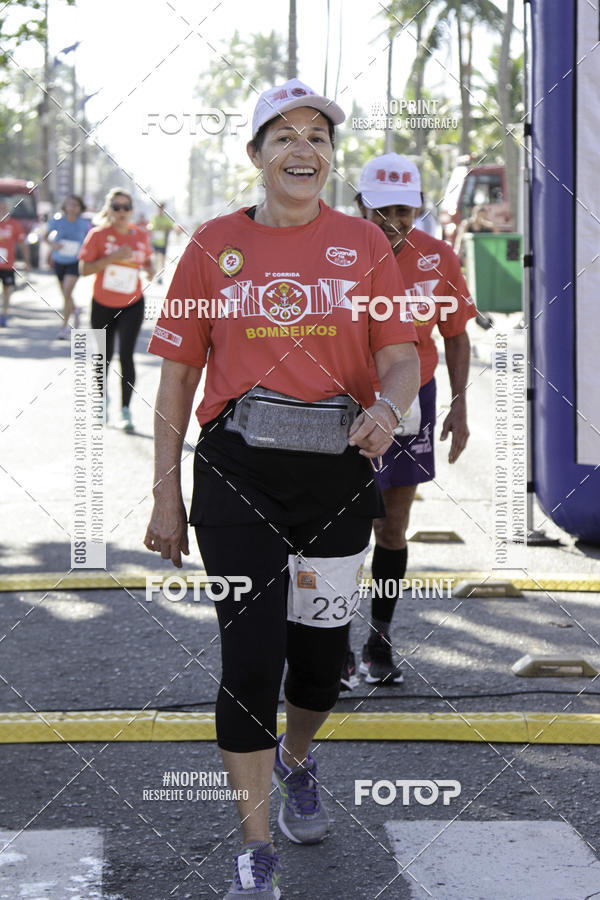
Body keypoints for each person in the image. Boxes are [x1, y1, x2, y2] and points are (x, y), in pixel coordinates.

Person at [144, 79, 419, 898]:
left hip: (336, 473)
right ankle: (254, 854)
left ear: (331, 157)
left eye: (318, 137)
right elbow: (177, 376)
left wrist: (387, 407)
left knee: (320, 666)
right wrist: (166, 494)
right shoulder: (212, 245)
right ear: (256, 154)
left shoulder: (363, 245)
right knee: (251, 658)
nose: (304, 149)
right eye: (285, 136)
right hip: (238, 470)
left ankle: (298, 757)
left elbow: (400, 355)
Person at [346, 152, 477, 687]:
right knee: (339, 527)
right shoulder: (335, 252)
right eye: (381, 210)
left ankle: (378, 641)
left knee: (391, 526)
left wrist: (459, 405)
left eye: (403, 210)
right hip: (347, 397)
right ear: (360, 205)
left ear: (418, 207)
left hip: (412, 399)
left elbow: (457, 334)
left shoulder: (438, 256)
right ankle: (332, 645)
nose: (393, 221)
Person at [78, 188, 153, 432]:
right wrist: (113, 257)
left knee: (127, 356)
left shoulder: (140, 235)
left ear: (131, 211)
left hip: (132, 303)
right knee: (103, 356)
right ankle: (102, 401)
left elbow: (147, 260)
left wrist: (150, 269)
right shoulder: (98, 235)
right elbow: (84, 269)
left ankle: (125, 410)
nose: (122, 212)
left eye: (126, 207)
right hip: (102, 303)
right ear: (109, 210)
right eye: (117, 207)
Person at [46, 195, 91, 339]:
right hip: (59, 260)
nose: (72, 208)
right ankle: (75, 309)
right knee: (65, 294)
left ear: (80, 208)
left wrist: (87, 256)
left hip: (75, 262)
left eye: (75, 205)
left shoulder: (84, 223)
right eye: (70, 204)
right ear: (65, 206)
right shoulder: (57, 220)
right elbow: (45, 237)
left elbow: (91, 241)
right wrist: (53, 245)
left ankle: (64, 327)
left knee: (67, 291)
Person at [0, 199, 30, 327]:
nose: (2, 210)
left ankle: (4, 314)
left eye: (4, 208)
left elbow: (22, 243)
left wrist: (27, 261)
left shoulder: (14, 224)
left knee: (8, 290)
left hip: (8, 264)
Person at [148, 201, 172, 284]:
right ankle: (156, 275)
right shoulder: (154, 217)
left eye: (161, 208)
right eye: (159, 208)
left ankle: (160, 276)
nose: (160, 210)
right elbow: (150, 226)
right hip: (155, 241)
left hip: (163, 242)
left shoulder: (166, 218)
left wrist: (164, 228)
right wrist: (150, 228)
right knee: (155, 258)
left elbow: (171, 227)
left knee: (162, 259)